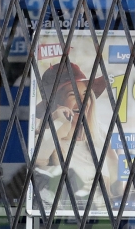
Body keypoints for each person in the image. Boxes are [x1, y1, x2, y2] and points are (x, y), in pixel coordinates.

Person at [32, 61, 122, 210]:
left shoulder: (100, 135)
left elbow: (118, 189)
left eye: (86, 94)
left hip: (103, 217)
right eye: (73, 94)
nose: (83, 100)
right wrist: (58, 123)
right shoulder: (47, 138)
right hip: (66, 219)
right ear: (57, 103)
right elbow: (37, 161)